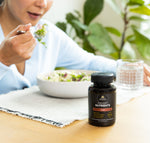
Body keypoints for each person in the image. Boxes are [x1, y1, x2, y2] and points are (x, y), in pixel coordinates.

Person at [0, 0, 150, 94]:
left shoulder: (46, 32)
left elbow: (88, 62)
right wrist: (3, 59)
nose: (43, 3)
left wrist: (125, 67)